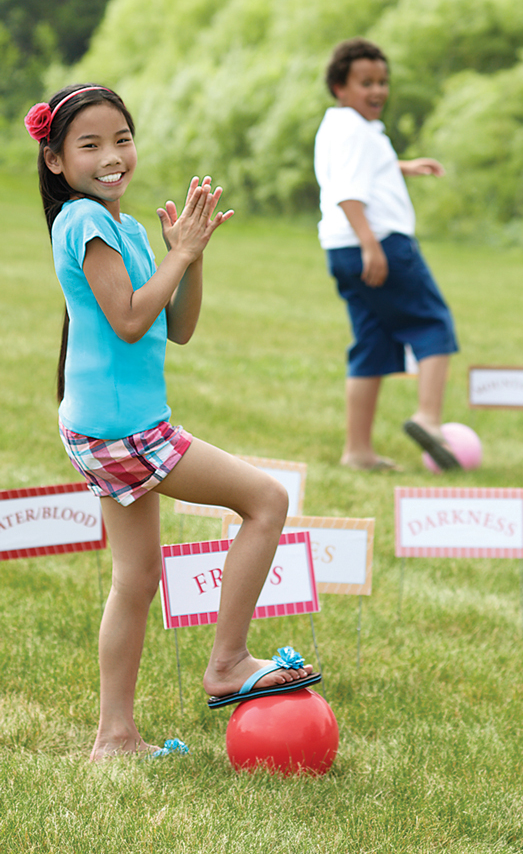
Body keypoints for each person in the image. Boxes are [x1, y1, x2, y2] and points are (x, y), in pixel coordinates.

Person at [24, 84, 319, 759]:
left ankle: (115, 739)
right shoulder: (83, 222)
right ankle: (228, 663)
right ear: (56, 160)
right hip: (125, 430)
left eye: (121, 139)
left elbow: (176, 326)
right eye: (89, 145)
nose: (111, 156)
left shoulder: (123, 228)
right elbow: (129, 320)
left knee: (135, 580)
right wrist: (178, 254)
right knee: (267, 501)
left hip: (108, 426)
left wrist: (194, 254)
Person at [314, 38, 460, 472]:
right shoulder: (356, 131)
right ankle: (428, 419)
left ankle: (357, 451)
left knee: (373, 343)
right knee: (433, 323)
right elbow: (346, 191)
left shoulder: (343, 127)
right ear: (340, 86)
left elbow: (358, 171)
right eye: (365, 83)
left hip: (340, 249)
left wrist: (403, 166)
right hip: (378, 243)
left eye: (382, 82)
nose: (377, 91)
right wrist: (371, 244)